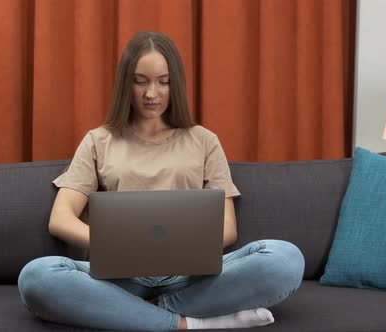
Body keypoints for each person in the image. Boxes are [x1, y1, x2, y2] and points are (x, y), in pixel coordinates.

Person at [17, 31, 304, 331]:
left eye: (163, 82)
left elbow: (227, 228)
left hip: (191, 278)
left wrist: (181, 248)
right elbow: (60, 218)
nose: (151, 93)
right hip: (119, 279)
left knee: (286, 259)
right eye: (140, 81)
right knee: (37, 276)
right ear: (125, 84)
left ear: (175, 84)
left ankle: (131, 314)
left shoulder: (205, 141)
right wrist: (116, 245)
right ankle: (187, 324)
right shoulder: (98, 141)